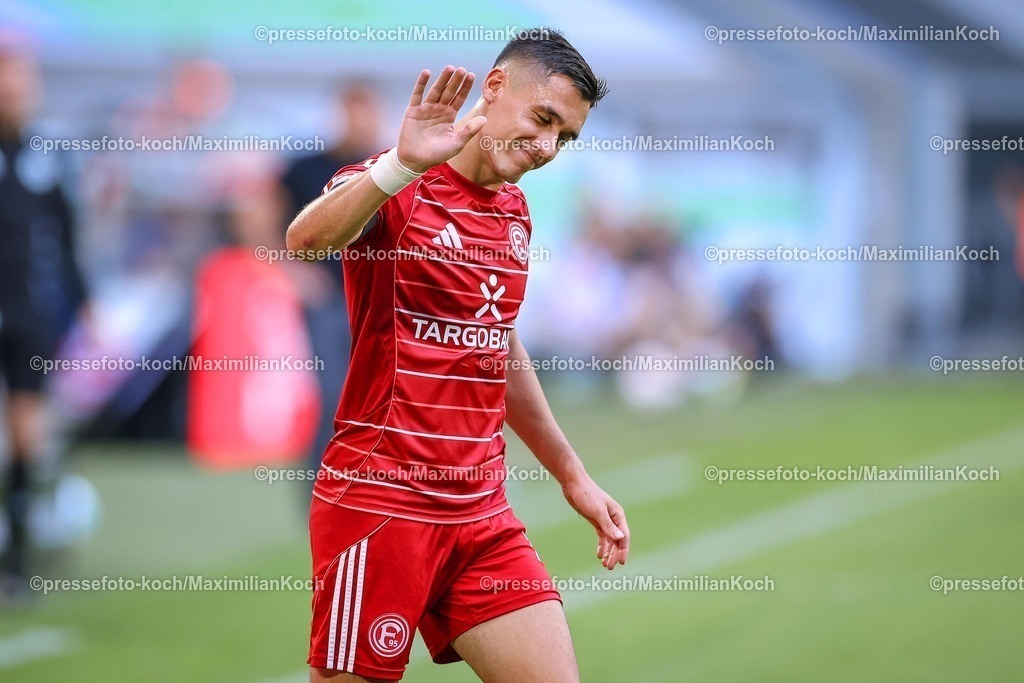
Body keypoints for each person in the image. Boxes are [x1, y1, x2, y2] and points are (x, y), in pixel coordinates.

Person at [286, 28, 629, 682]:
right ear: (494, 89)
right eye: (543, 119)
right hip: (381, 505)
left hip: (481, 515)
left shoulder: (515, 213)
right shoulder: (398, 180)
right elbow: (303, 241)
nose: (547, 147)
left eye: (566, 136)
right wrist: (400, 166)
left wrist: (572, 474)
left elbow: (497, 344)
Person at [0, 38, 89, 596]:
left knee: (28, 431)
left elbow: (66, 233)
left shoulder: (47, 153)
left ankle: (19, 555)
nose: (13, 89)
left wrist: (84, 302)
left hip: (28, 313)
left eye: (21, 79)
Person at [278, 82, 384, 493]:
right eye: (352, 110)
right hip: (327, 299)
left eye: (366, 110)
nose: (359, 120)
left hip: (377, 301)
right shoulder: (306, 167)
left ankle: (371, 488)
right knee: (333, 394)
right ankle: (321, 489)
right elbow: (260, 212)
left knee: (381, 397)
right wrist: (289, 268)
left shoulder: (389, 165)